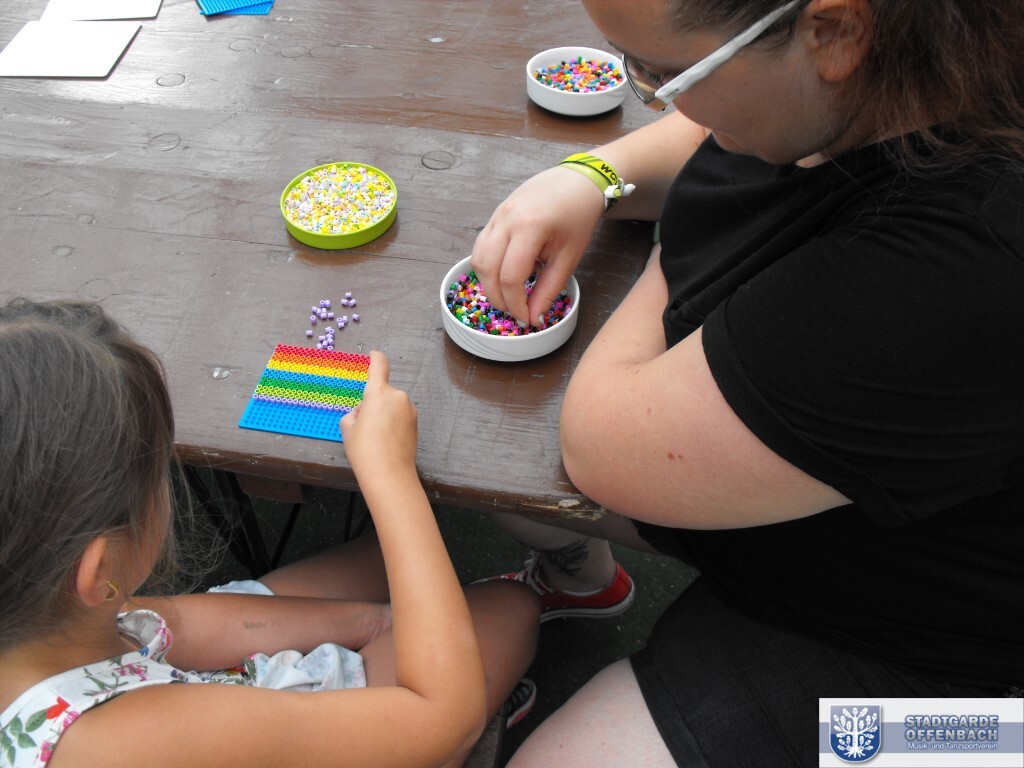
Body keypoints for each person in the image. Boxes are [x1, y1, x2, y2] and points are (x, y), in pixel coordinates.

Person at [471, 0, 1024, 765]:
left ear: (834, 31)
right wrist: (593, 174)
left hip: (955, 675)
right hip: (848, 516)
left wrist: (677, 240)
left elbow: (601, 442)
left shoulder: (957, 270)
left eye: (663, 75)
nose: (653, 98)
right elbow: (714, 134)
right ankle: (581, 579)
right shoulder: (910, 62)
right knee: (496, 455)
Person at [0, 298, 540, 768]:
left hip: (193, 693)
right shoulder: (124, 743)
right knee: (511, 607)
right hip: (228, 729)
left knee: (389, 562)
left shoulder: (43, 607)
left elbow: (176, 627)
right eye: (156, 473)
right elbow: (443, 718)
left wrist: (376, 622)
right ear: (100, 571)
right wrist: (390, 475)